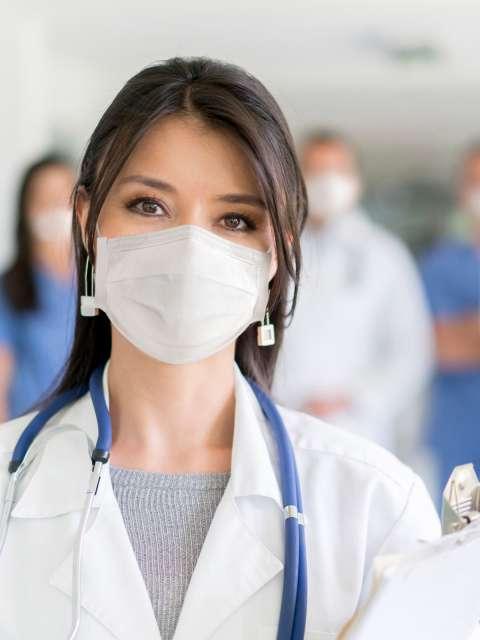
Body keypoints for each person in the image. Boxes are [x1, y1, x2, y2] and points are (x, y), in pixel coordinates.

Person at [0, 58, 439, 640]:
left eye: (234, 220)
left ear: (276, 254)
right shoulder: (11, 485)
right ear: (86, 224)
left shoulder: (376, 509)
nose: (190, 250)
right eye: (149, 206)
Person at [273, 131, 433, 453]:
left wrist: (355, 399)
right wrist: (283, 396)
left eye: (338, 172)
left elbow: (411, 350)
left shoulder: (385, 255)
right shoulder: (276, 250)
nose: (327, 183)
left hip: (360, 429)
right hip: (283, 422)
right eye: (316, 172)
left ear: (356, 181)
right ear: (295, 180)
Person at [420, 143, 480, 504]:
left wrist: (467, 326)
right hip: (461, 443)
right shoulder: (441, 265)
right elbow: (442, 348)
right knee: (463, 549)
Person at [0, 154, 76, 421]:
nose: (56, 209)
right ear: (26, 209)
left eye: (64, 197)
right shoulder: (9, 288)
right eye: (45, 199)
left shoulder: (96, 280)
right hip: (26, 436)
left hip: (87, 436)